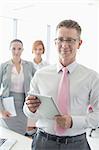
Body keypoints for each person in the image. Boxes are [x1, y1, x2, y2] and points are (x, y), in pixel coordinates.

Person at [23, 20, 99, 150]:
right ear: (55, 42)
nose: (64, 45)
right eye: (60, 39)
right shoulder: (41, 75)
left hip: (77, 144)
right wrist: (30, 108)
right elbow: (28, 111)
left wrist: (73, 122)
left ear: (79, 43)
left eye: (70, 40)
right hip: (43, 142)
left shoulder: (92, 77)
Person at [0, 39, 36, 135]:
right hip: (7, 104)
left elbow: (38, 80)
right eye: (14, 48)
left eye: (19, 49)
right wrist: (1, 110)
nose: (16, 51)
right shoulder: (3, 66)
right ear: (9, 49)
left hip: (24, 103)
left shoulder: (29, 65)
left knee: (21, 132)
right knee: (8, 133)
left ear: (22, 50)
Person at [26, 40, 49, 136]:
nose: (38, 51)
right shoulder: (27, 65)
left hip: (43, 94)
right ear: (32, 50)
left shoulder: (47, 65)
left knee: (40, 119)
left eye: (40, 49)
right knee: (29, 121)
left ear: (43, 50)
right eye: (36, 49)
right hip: (31, 94)